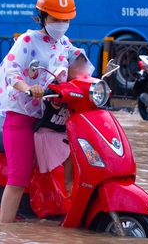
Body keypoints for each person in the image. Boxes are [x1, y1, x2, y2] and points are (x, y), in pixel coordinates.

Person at [0, 0, 77, 223]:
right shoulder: (27, 40)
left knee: (73, 166)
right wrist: (28, 88)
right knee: (18, 179)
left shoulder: (66, 44)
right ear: (42, 17)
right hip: (22, 116)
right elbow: (10, 71)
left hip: (52, 118)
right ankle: (5, 232)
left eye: (66, 20)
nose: (61, 24)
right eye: (56, 19)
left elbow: (79, 68)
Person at [33, 48, 94, 196]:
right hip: (47, 132)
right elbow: (55, 102)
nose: (80, 69)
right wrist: (59, 97)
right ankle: (68, 184)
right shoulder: (56, 84)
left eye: (82, 66)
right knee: (71, 148)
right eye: (76, 65)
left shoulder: (82, 87)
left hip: (64, 134)